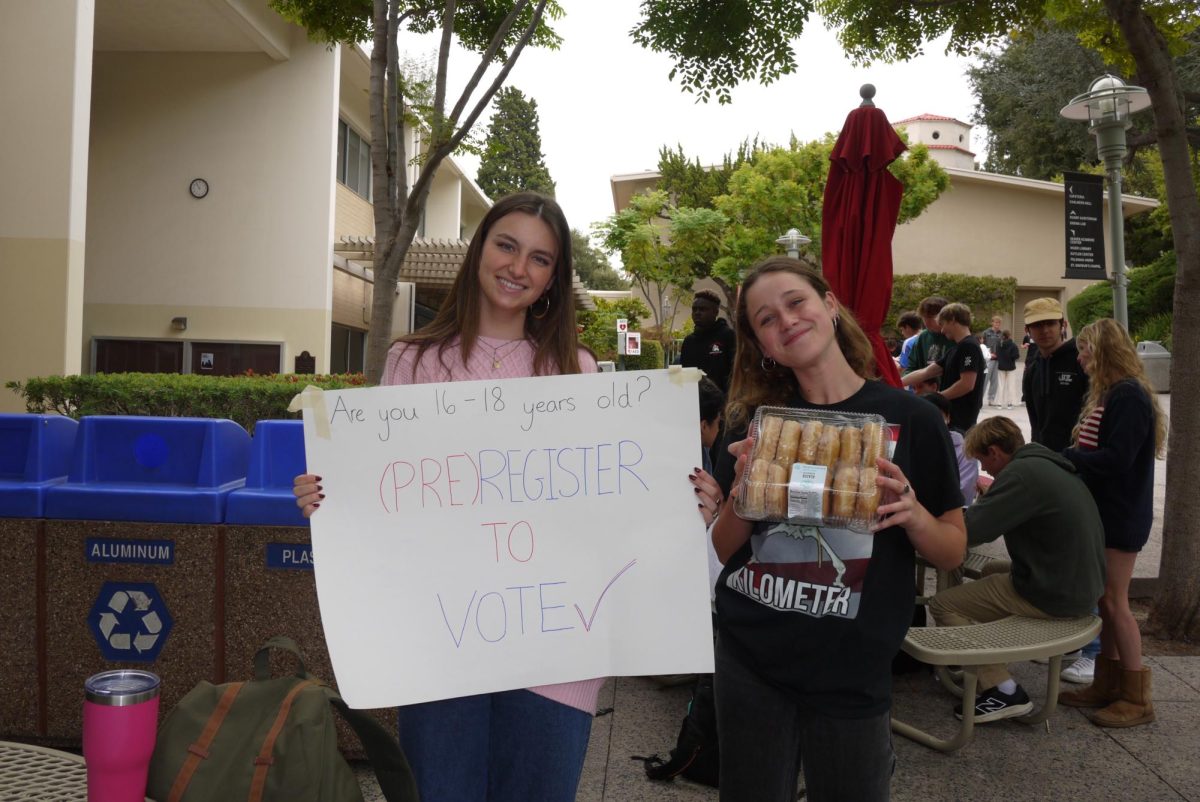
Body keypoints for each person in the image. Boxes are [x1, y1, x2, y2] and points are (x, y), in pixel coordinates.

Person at [293, 192, 603, 801]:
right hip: (441, 644)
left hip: (554, 651)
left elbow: (599, 502)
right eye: (506, 245)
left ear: (552, 280)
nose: (518, 268)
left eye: (540, 259)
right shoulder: (412, 361)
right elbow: (389, 487)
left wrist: (678, 504)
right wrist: (334, 496)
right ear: (479, 250)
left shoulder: (577, 370)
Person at [709, 257, 965, 802]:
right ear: (761, 344)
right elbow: (723, 545)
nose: (786, 321)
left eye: (795, 302)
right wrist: (743, 493)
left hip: (853, 666)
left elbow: (951, 551)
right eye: (765, 319)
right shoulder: (754, 422)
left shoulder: (912, 419)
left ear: (829, 305)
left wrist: (914, 515)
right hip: (749, 656)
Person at [928, 417, 1105, 722]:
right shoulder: (1041, 463)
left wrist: (930, 524)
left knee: (943, 604)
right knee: (987, 574)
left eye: (983, 461)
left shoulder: (1020, 476)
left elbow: (969, 532)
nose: (985, 470)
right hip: (1078, 585)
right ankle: (974, 655)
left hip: (1055, 594)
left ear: (995, 451)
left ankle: (1002, 689)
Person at [1059, 318, 1167, 729]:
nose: (1081, 356)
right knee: (1105, 600)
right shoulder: (1115, 393)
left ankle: (1137, 698)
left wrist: (1067, 457)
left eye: (1086, 349)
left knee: (1116, 601)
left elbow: (1118, 461)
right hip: (1109, 513)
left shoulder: (1128, 396)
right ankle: (1107, 684)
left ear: (1105, 350)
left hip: (1121, 516)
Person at [901, 303, 986, 433]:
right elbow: (927, 372)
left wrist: (936, 398)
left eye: (943, 324)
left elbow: (967, 384)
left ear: (952, 320)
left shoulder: (969, 346)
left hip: (962, 419)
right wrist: (896, 383)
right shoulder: (957, 348)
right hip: (952, 417)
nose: (942, 330)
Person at [1022, 297, 1088, 451]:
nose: (1045, 330)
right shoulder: (1032, 368)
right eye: (1037, 325)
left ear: (1063, 325)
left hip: (1079, 456)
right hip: (1045, 457)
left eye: (1050, 323)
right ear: (1027, 330)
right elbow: (1035, 421)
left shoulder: (1082, 360)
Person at [920, 392, 978, 506]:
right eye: (925, 417)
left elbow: (964, 493)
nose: (932, 422)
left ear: (948, 418)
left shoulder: (965, 451)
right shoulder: (912, 443)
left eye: (937, 416)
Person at [680, 289, 737, 391]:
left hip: (723, 401)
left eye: (702, 309)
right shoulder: (688, 342)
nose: (697, 313)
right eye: (694, 309)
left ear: (715, 312)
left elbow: (736, 373)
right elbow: (684, 376)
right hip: (695, 401)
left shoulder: (728, 336)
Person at [903, 296, 952, 375]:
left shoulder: (955, 336)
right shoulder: (923, 337)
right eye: (925, 317)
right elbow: (911, 367)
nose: (927, 322)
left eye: (931, 317)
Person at [995, 330, 1021, 409]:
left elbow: (997, 355)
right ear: (1009, 335)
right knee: (1011, 385)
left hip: (1001, 367)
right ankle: (1009, 403)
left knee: (1000, 385)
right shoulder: (1013, 345)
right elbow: (1016, 356)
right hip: (1011, 367)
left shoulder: (999, 344)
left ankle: (999, 403)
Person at [981, 315, 1003, 407]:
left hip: (998, 359)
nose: (997, 324)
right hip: (988, 359)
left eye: (999, 323)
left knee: (995, 381)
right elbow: (982, 345)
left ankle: (991, 399)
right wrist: (988, 354)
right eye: (995, 322)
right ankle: (979, 398)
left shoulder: (1001, 334)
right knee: (985, 379)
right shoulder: (986, 332)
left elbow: (1003, 346)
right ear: (992, 323)